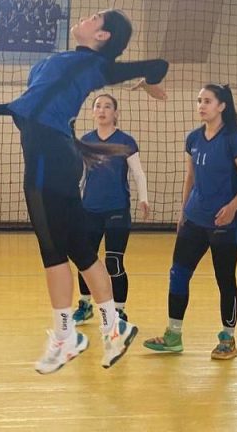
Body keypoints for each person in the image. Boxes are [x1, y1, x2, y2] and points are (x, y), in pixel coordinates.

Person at [0, 10, 168, 373]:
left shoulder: (95, 65)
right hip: (54, 153)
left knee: (53, 249)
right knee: (79, 248)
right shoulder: (61, 62)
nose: (87, 18)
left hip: (49, 157)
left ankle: (65, 337)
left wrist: (150, 83)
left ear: (103, 36)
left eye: (95, 18)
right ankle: (113, 328)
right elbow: (35, 103)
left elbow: (159, 64)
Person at [143, 84, 237, 360]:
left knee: (225, 280)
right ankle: (173, 335)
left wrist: (232, 207)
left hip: (223, 223)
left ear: (221, 106)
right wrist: (183, 212)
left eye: (207, 101)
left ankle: (228, 339)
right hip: (194, 219)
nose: (201, 106)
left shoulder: (235, 140)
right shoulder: (193, 138)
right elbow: (190, 178)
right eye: (199, 101)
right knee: (178, 274)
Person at [71, 93, 149, 327]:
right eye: (98, 106)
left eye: (107, 106)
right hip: (89, 210)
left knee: (114, 262)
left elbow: (138, 173)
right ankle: (85, 305)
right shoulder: (86, 140)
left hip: (117, 210)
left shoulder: (125, 141)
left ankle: (119, 311)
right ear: (93, 112)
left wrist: (143, 199)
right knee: (86, 260)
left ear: (115, 113)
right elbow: (80, 175)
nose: (102, 110)